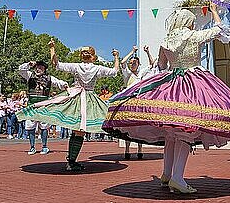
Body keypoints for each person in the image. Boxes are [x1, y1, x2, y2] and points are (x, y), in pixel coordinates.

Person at [104, 3, 230, 194]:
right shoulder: (194, 36)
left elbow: (162, 66)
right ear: (188, 22)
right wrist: (213, 11)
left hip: (171, 83)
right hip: (194, 83)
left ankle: (166, 174)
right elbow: (222, 30)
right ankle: (177, 178)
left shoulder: (166, 41)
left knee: (172, 133)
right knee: (187, 129)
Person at [18, 41, 119, 171]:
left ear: (82, 56)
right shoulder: (97, 68)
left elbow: (57, 65)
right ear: (93, 57)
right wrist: (116, 56)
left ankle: (71, 160)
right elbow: (115, 71)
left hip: (75, 97)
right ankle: (71, 161)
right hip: (88, 99)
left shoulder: (76, 66)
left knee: (75, 129)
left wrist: (52, 49)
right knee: (80, 131)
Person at [16, 61, 69, 155]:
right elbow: (21, 70)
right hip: (32, 104)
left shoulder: (49, 78)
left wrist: (64, 85)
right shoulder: (30, 75)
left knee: (44, 126)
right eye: (37, 67)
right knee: (30, 126)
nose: (38, 69)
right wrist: (28, 64)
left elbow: (59, 83)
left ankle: (44, 146)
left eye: (40, 67)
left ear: (44, 69)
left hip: (44, 104)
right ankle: (32, 147)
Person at [119, 45, 156, 160]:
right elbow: (122, 62)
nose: (132, 64)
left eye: (135, 63)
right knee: (127, 126)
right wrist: (133, 51)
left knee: (139, 126)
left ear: (138, 64)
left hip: (139, 102)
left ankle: (140, 150)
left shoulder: (141, 74)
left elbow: (153, 64)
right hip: (128, 102)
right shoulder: (127, 74)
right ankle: (127, 150)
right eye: (131, 63)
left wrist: (147, 52)